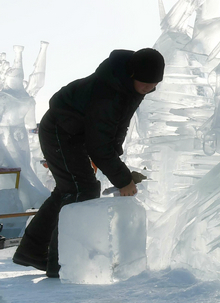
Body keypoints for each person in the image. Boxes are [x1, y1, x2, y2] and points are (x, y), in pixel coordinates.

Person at [13, 48, 165, 278]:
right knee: (80, 189)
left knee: (69, 189)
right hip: (60, 131)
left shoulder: (130, 87)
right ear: (132, 75)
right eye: (145, 83)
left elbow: (118, 124)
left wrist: (115, 156)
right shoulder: (108, 92)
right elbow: (98, 143)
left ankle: (32, 251)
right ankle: (60, 264)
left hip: (76, 134)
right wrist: (123, 179)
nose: (149, 88)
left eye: (153, 84)